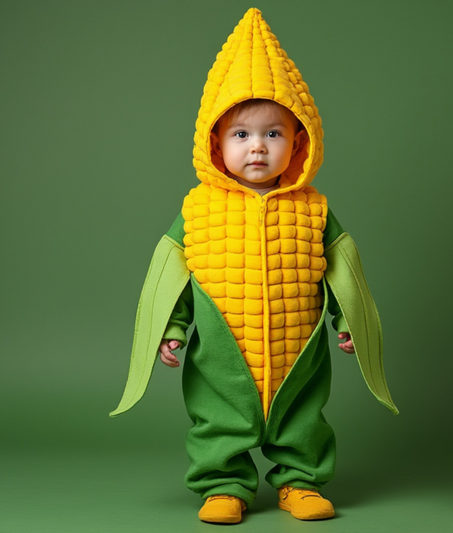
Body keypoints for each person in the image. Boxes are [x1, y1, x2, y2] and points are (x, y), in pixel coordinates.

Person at [110, 8, 398, 525]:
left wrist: (346, 322)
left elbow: (341, 274)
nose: (258, 147)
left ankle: (300, 482)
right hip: (221, 347)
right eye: (241, 134)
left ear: (298, 142)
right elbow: (172, 277)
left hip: (297, 344)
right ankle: (223, 485)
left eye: (274, 133)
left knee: (303, 416)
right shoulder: (197, 209)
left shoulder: (314, 209)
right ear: (215, 143)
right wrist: (172, 330)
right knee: (218, 419)